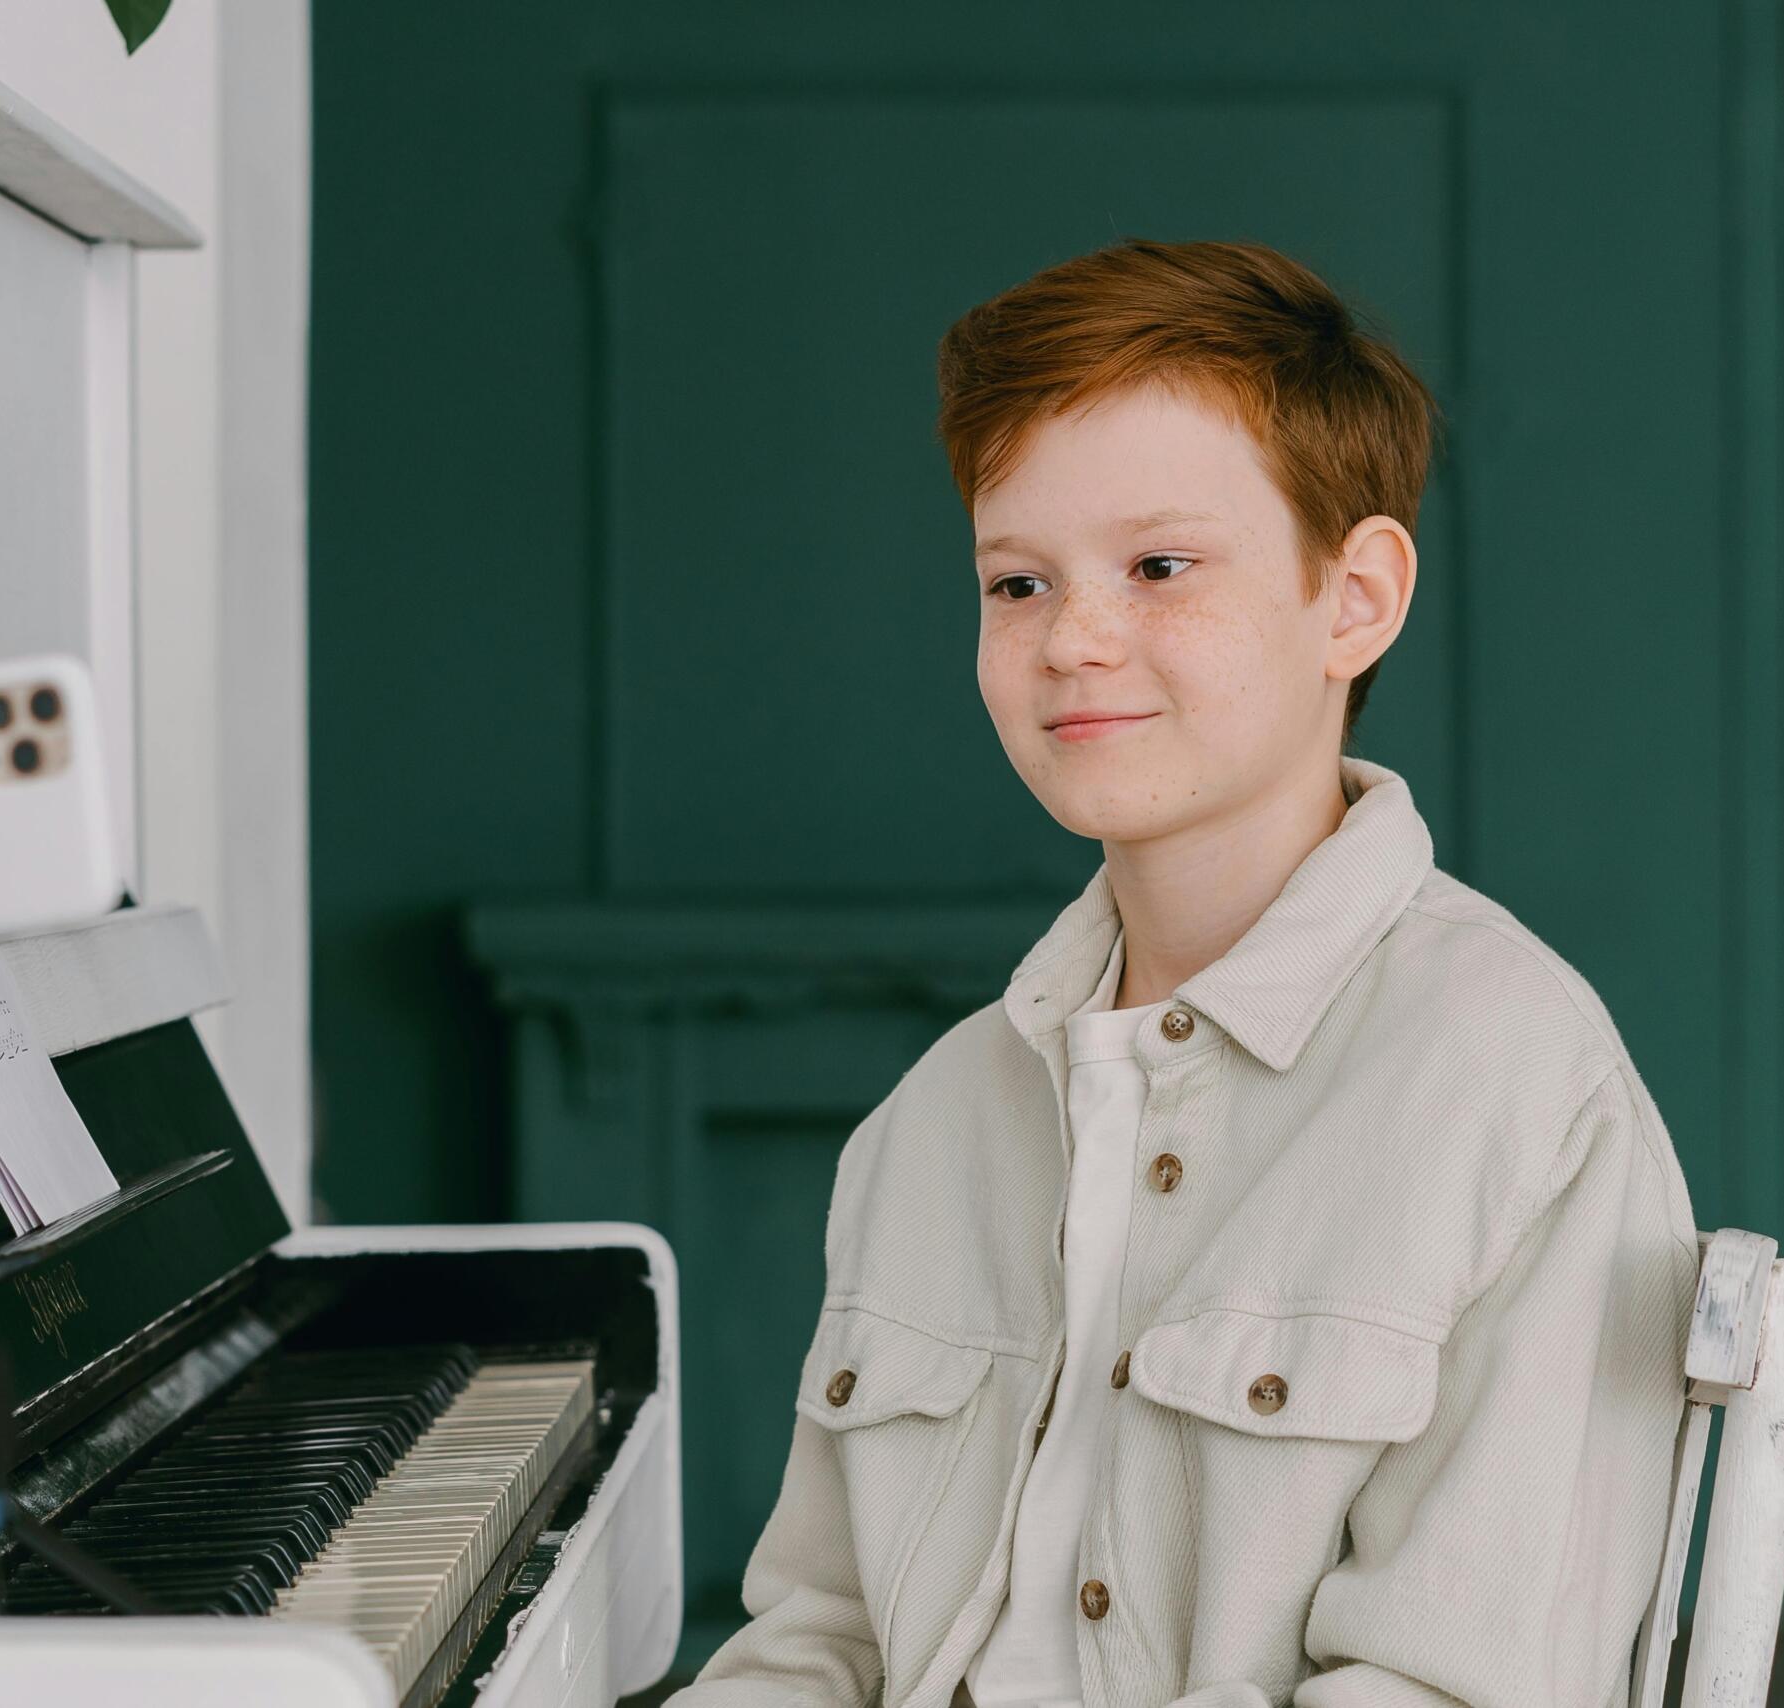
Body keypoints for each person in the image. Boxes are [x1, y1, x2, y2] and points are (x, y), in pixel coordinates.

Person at [667, 238, 1700, 1708]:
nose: (1074, 639)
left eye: (1159, 567)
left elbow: (1454, 1687)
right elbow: (817, 1646)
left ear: (1354, 599)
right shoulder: (940, 1115)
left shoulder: (1516, 1087)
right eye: (1017, 582)